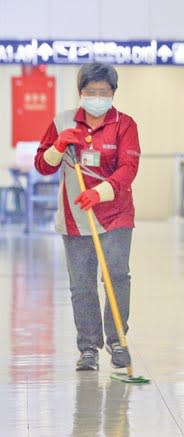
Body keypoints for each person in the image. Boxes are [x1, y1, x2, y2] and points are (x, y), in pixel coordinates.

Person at [34, 62, 141, 371]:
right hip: (75, 216)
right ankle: (88, 349)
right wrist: (58, 145)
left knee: (116, 278)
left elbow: (128, 169)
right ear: (80, 92)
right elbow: (43, 165)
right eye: (90, 91)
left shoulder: (125, 125)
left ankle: (118, 340)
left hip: (115, 214)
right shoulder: (63, 121)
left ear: (113, 93)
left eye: (103, 92)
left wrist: (101, 192)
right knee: (81, 285)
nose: (96, 97)